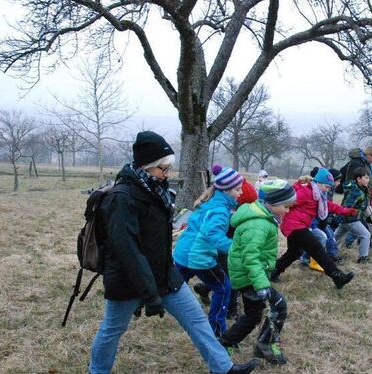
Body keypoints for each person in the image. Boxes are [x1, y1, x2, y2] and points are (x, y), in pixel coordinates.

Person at [89, 131, 257, 374]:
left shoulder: (155, 190)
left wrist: (163, 277)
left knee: (197, 320)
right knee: (112, 329)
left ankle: (223, 368)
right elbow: (128, 252)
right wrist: (150, 295)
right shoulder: (121, 199)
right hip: (128, 279)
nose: (167, 174)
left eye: (168, 168)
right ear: (146, 166)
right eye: (163, 168)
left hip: (164, 275)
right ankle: (97, 370)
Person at [218, 180, 296, 365]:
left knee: (253, 315)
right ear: (272, 203)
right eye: (285, 206)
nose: (287, 211)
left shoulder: (262, 217)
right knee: (279, 306)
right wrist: (261, 285)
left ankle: (226, 341)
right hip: (249, 277)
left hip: (249, 275)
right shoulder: (259, 224)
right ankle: (265, 345)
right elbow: (250, 257)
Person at [172, 165, 243, 337]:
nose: (240, 193)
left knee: (172, 284)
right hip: (199, 257)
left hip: (182, 253)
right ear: (226, 190)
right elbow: (213, 234)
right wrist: (233, 248)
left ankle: (147, 300)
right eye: (237, 189)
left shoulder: (210, 203)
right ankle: (218, 330)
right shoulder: (220, 210)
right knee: (224, 288)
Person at [269, 168, 357, 288]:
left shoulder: (319, 196)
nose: (328, 189)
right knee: (317, 248)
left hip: (298, 225)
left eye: (330, 187)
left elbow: (330, 206)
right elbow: (289, 200)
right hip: (294, 226)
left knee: (294, 252)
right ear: (318, 183)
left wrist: (347, 211)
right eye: (327, 186)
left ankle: (273, 272)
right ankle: (337, 276)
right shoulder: (307, 192)